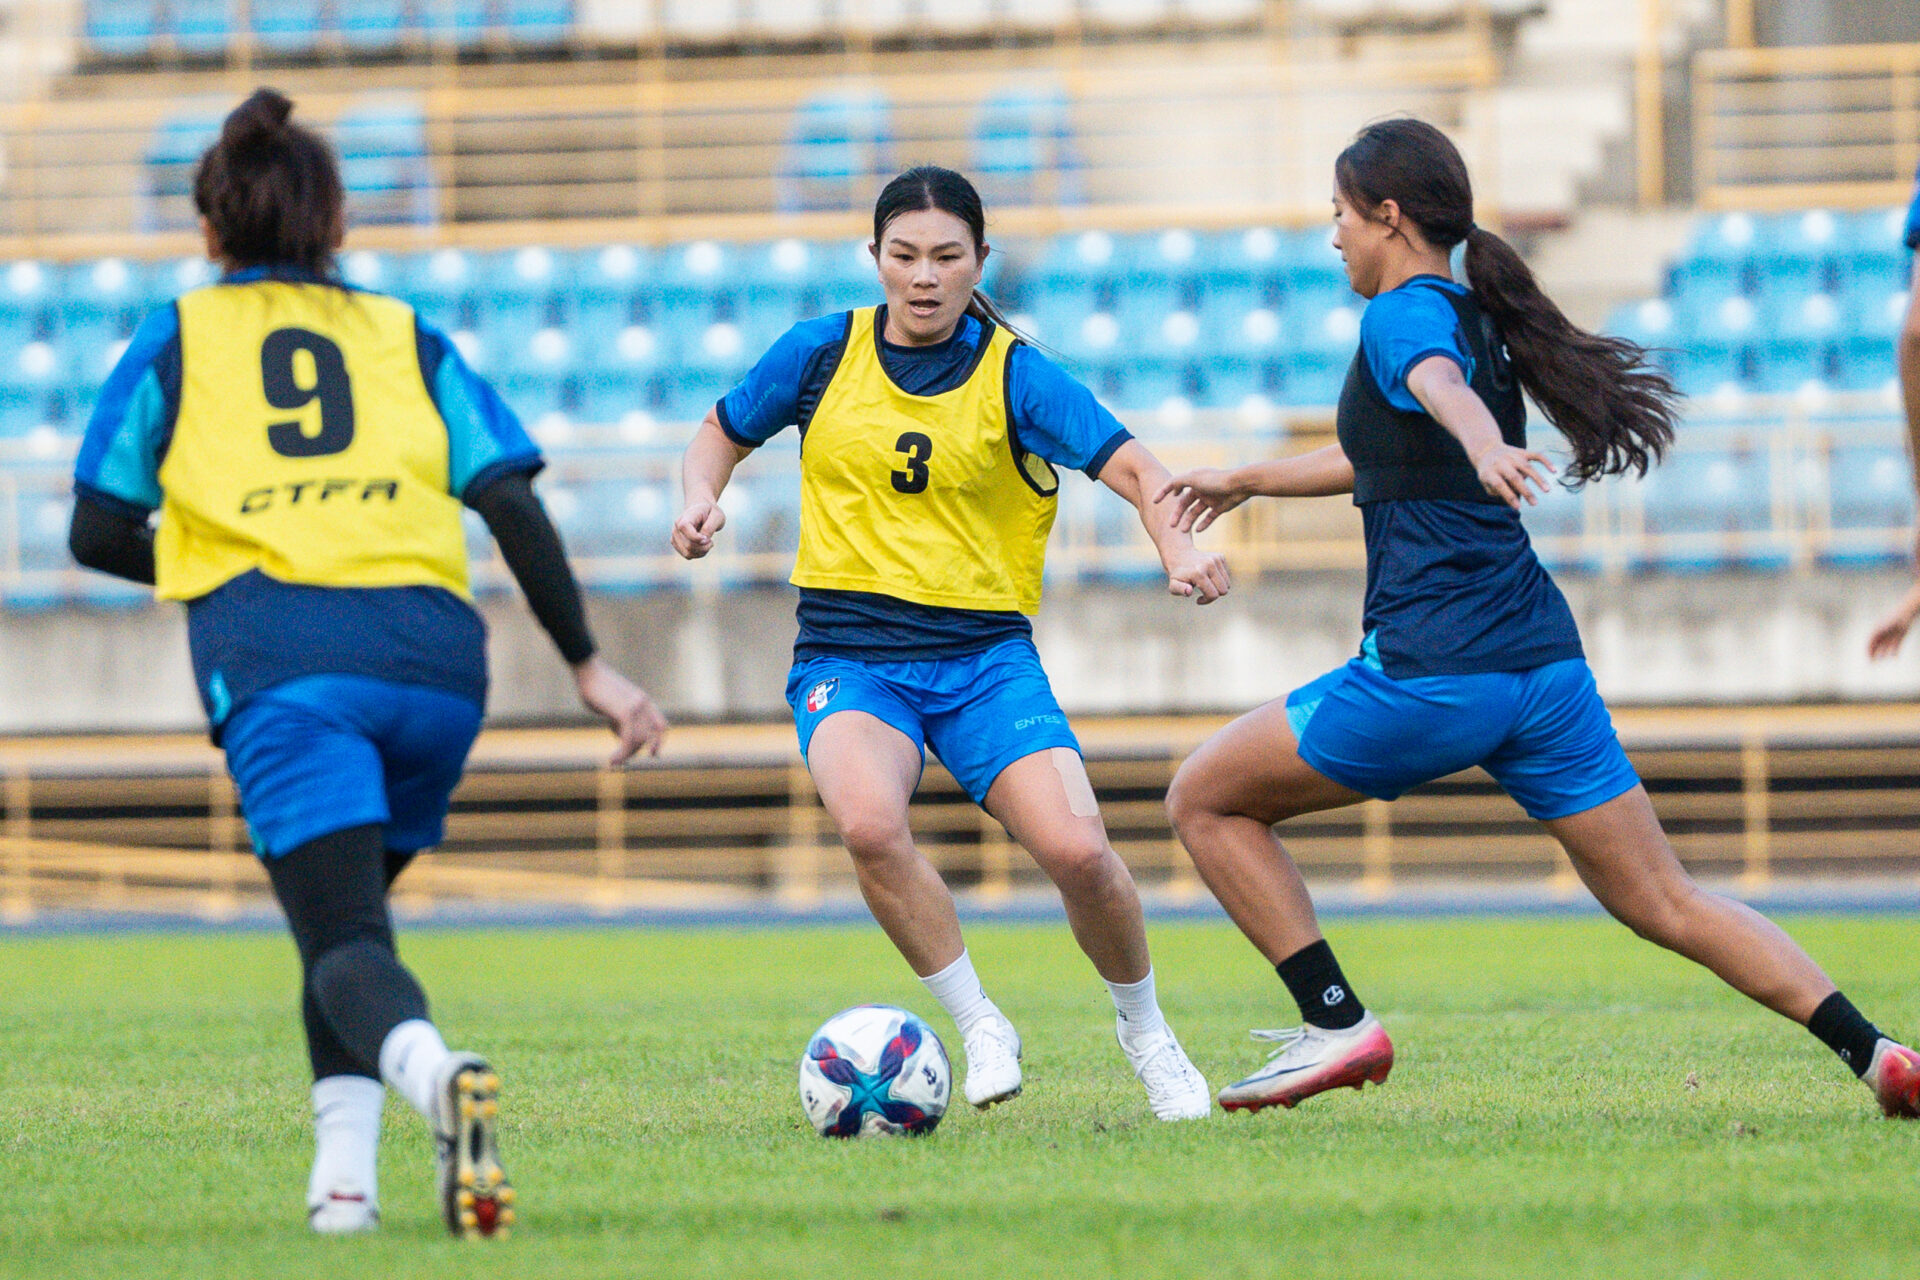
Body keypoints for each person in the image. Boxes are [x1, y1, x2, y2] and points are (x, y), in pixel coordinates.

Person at [1157, 118, 1920, 1119]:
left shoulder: (1400, 318)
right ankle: (1877, 1052)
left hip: (1434, 672)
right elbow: (1394, 449)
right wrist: (1251, 477)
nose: (1332, 235)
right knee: (1666, 899)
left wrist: (1483, 444)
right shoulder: (1474, 312)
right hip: (1543, 670)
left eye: (1339, 214)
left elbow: (1436, 391)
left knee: (1204, 798)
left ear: (1388, 217)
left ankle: (1335, 1022)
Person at [68, 89, 668, 1236]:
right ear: (335, 221)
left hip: (290, 662)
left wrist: (218, 562)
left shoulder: (181, 334)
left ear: (210, 227)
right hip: (437, 664)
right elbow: (509, 498)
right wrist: (590, 665)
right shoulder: (405, 332)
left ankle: (440, 1077)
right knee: (345, 929)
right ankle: (342, 1188)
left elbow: (96, 527)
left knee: (340, 937)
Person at [672, 165, 1229, 1121]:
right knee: (869, 827)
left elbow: (1138, 469)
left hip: (984, 663)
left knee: (1080, 853)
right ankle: (979, 1023)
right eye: (904, 255)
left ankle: (1147, 1034)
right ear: (875, 257)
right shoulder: (818, 353)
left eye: (946, 257)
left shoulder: (1018, 375)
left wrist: (1178, 548)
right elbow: (717, 434)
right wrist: (699, 498)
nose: (924, 277)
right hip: (849, 655)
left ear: (980, 262)